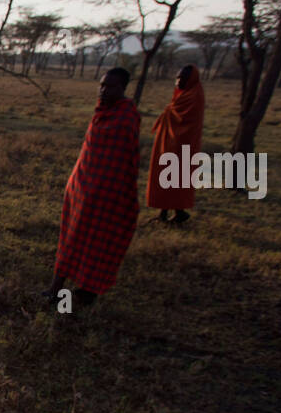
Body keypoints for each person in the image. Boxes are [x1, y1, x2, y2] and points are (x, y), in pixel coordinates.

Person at [44, 67, 142, 311]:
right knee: (70, 239)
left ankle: (80, 298)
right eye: (101, 85)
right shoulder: (102, 113)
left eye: (110, 86)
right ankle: (55, 291)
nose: (103, 90)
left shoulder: (125, 118)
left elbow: (125, 163)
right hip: (82, 190)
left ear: (123, 89)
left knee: (94, 246)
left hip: (107, 196)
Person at [146, 64, 205, 225]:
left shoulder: (194, 95)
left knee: (177, 177)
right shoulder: (183, 94)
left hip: (183, 145)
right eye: (177, 77)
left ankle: (178, 212)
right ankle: (164, 213)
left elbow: (185, 120)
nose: (178, 81)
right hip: (170, 142)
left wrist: (169, 113)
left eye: (183, 78)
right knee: (165, 175)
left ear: (191, 80)